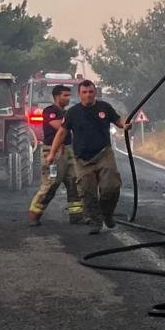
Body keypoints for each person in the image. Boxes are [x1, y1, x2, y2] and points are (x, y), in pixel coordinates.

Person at [44, 80, 127, 234]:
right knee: (87, 192)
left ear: (95, 92)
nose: (88, 95)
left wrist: (125, 125)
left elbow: (119, 121)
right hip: (82, 159)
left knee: (111, 187)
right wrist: (52, 153)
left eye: (91, 92)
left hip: (104, 154)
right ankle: (96, 221)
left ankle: (107, 214)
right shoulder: (72, 113)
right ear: (79, 94)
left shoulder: (104, 107)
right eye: (85, 92)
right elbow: (61, 133)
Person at [27, 84, 85, 225]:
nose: (68, 98)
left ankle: (76, 216)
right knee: (51, 184)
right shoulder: (50, 111)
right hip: (53, 153)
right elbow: (61, 127)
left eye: (69, 95)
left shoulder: (67, 113)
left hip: (68, 150)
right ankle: (34, 214)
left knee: (74, 182)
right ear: (57, 96)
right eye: (65, 95)